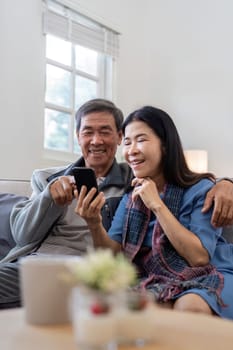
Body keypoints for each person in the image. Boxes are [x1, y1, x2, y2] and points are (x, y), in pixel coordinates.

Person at [0, 99, 232, 309]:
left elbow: (198, 252)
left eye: (106, 132)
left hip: (88, 269)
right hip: (32, 262)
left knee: (160, 306)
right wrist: (62, 205)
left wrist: (226, 183)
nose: (96, 140)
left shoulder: (133, 183)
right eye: (88, 131)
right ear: (77, 136)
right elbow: (23, 235)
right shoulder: (52, 180)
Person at [75, 105, 233, 319]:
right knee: (137, 309)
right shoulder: (130, 198)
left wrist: (157, 205)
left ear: (165, 146)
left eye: (141, 140)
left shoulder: (202, 190)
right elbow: (113, 255)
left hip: (212, 273)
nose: (131, 150)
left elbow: (199, 257)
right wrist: (93, 223)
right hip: (157, 278)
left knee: (189, 308)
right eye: (128, 142)